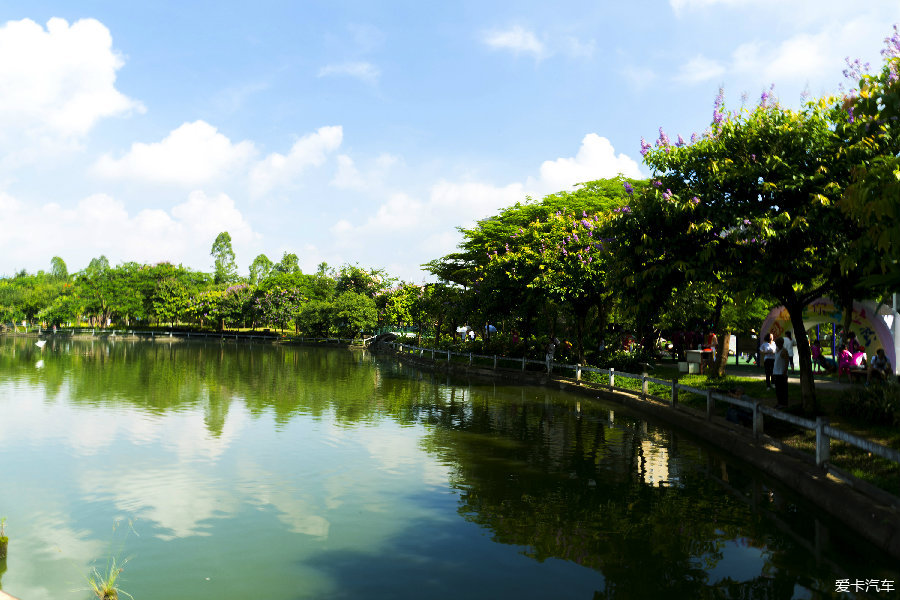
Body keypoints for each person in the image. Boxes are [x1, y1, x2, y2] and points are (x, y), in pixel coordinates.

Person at [772, 337, 789, 408]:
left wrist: (784, 372)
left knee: (783, 389)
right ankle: (779, 402)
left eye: (777, 343)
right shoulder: (777, 350)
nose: (776, 344)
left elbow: (786, 362)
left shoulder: (784, 351)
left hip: (781, 373)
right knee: (778, 389)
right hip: (776, 372)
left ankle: (783, 403)